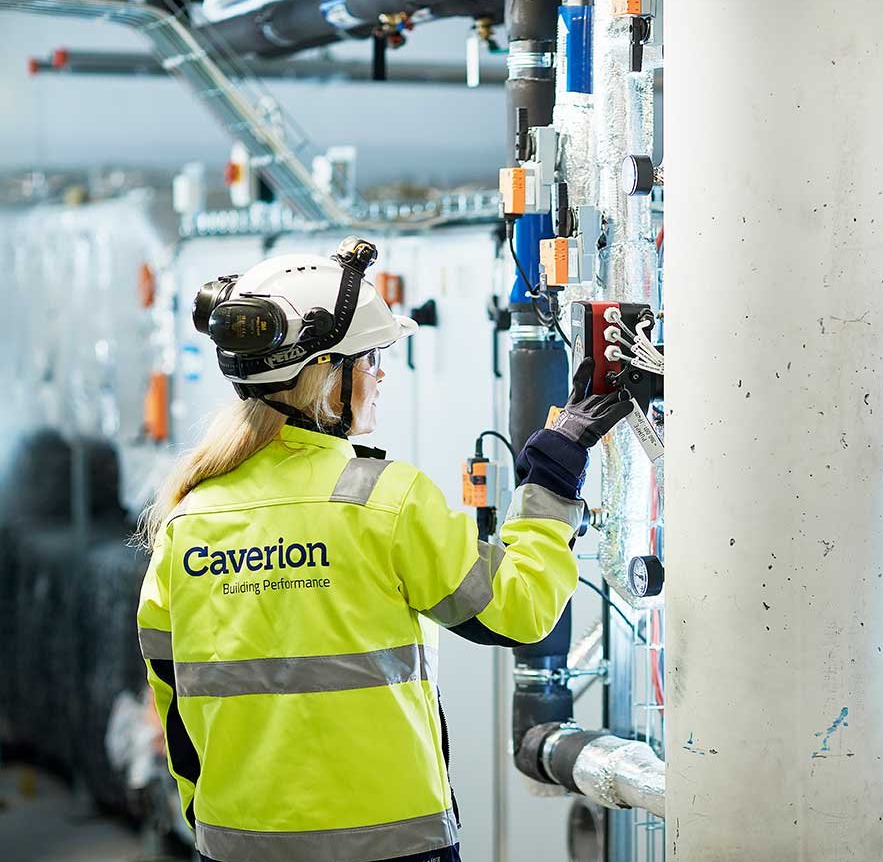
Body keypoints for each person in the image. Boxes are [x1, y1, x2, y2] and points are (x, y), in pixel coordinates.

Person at [136, 237, 630, 862]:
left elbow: (175, 710)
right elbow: (522, 608)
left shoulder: (188, 520)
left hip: (235, 846)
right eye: (369, 358)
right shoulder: (383, 500)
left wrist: (222, 822)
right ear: (324, 376)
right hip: (391, 844)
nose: (380, 373)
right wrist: (554, 474)